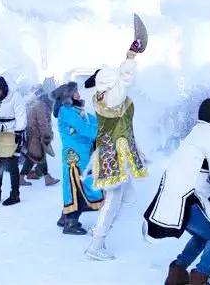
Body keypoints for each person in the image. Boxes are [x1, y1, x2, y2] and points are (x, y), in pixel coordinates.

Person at [145, 98, 210, 285]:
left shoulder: (197, 132)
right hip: (189, 199)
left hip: (179, 198)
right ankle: (199, 279)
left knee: (204, 234)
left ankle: (176, 275)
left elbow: (204, 182)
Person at [84, 42, 148, 261]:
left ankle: (102, 228)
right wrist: (130, 58)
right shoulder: (110, 98)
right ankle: (97, 242)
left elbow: (126, 126)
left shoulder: (109, 97)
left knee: (126, 198)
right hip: (112, 157)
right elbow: (125, 81)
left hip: (117, 153)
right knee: (113, 201)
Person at [54, 82, 104, 235]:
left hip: (82, 154)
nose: (78, 94)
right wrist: (102, 133)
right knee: (76, 186)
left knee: (76, 184)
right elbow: (85, 129)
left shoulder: (77, 110)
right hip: (74, 155)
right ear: (67, 96)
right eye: (75, 92)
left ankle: (65, 217)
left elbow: (93, 122)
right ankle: (71, 222)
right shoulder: (66, 110)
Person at [0, 76, 28, 206]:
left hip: (12, 130)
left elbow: (21, 114)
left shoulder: (15, 96)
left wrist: (19, 131)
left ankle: (15, 194)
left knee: (12, 164)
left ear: (4, 88)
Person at [21, 87, 60, 187]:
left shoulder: (38, 104)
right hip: (36, 135)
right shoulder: (41, 107)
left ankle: (44, 177)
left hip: (32, 134)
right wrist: (46, 136)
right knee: (37, 156)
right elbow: (43, 124)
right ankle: (47, 178)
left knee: (35, 157)